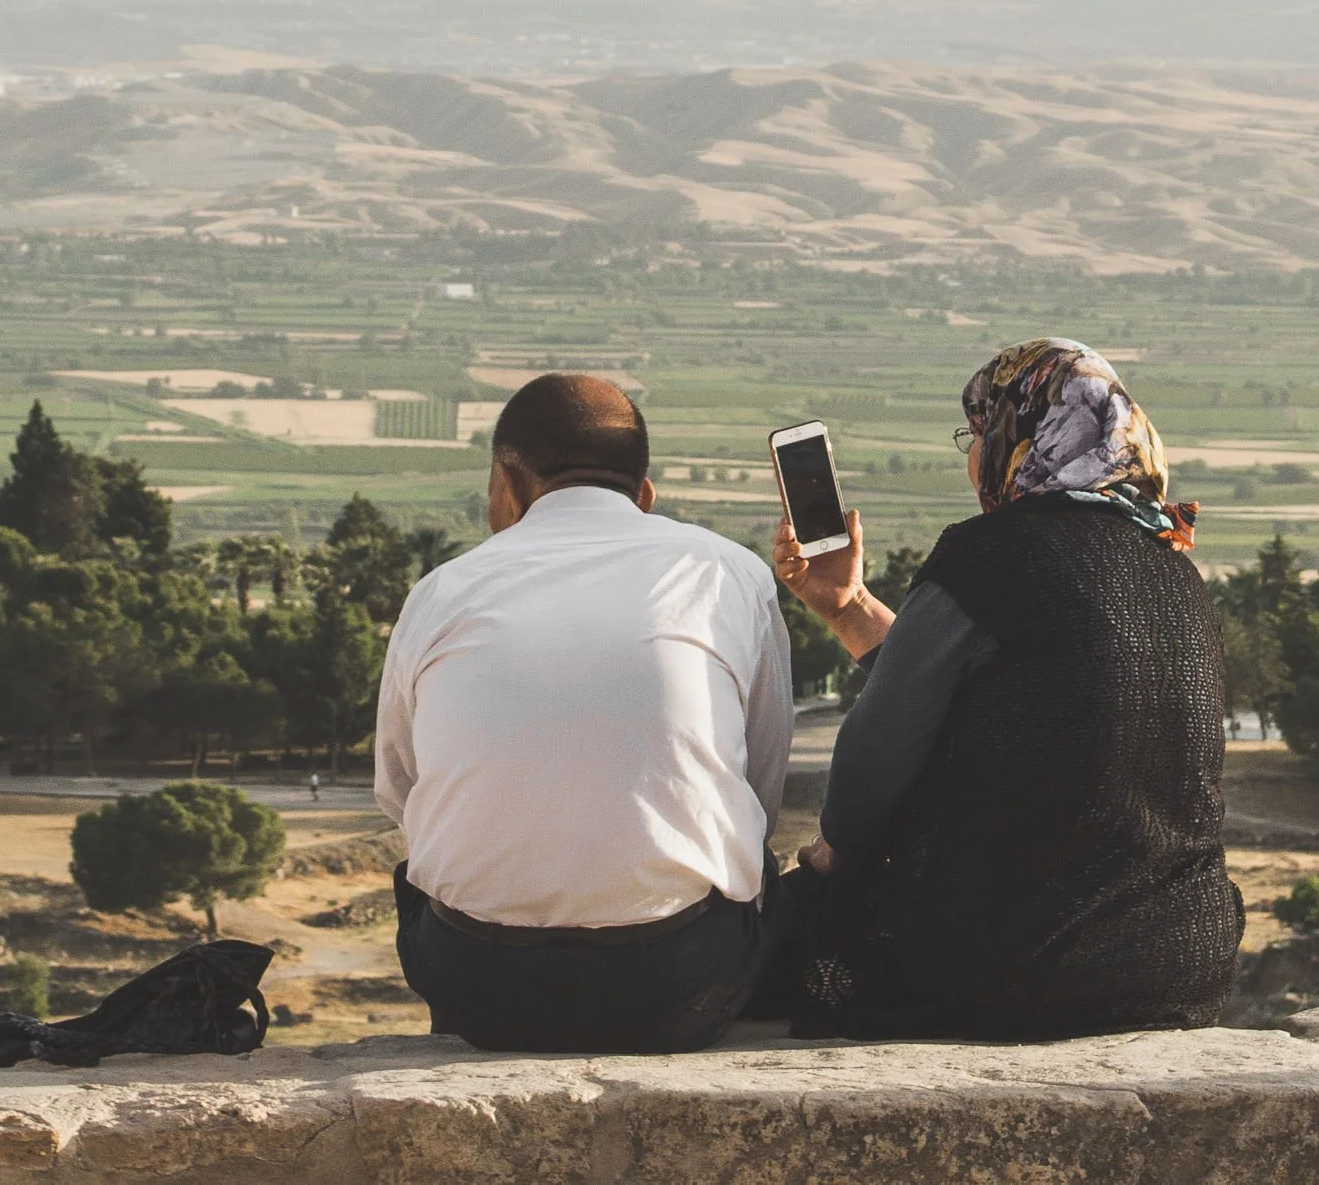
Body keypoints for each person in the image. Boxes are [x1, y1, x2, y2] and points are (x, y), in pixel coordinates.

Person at [770, 338, 1242, 1040]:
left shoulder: (994, 555)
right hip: (1181, 960)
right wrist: (848, 608)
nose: (971, 458)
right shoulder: (1174, 568)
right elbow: (987, 692)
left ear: (1019, 437)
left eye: (979, 432)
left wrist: (836, 854)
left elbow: (878, 753)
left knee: (760, 940)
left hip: (1022, 965)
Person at [373, 373, 792, 1053]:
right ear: (645, 497)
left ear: (507, 484)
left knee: (422, 878)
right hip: (675, 989)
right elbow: (760, 791)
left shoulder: (441, 592)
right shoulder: (728, 574)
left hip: (479, 990)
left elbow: (401, 792)